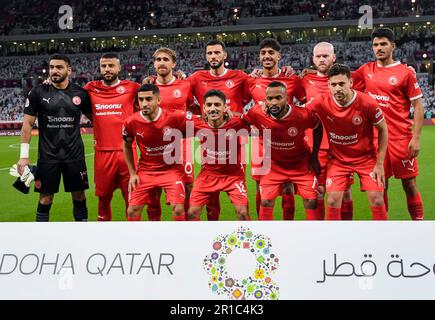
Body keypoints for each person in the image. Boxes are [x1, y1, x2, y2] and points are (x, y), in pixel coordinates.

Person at [352, 28, 424, 220]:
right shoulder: (366, 70)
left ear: (393, 46)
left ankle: (419, 226)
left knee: (409, 185)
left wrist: (416, 138)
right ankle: (383, 229)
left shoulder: (405, 73)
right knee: (379, 185)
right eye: (375, 44)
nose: (379, 48)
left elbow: (418, 104)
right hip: (374, 139)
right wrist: (312, 72)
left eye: (383, 44)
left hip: (400, 138)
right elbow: (341, 79)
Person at [308, 63, 388, 220]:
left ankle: (382, 240)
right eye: (333, 84)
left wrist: (379, 163)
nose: (337, 88)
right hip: (338, 161)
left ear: (350, 83)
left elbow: (383, 129)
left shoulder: (367, 103)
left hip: (366, 159)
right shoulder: (320, 102)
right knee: (332, 200)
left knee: (377, 199)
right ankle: (334, 241)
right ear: (328, 85)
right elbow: (299, 114)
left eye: (341, 84)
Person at [18, 54, 92, 222]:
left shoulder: (80, 93)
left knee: (79, 196)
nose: (54, 71)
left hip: (74, 155)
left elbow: (96, 119)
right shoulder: (37, 92)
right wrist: (23, 156)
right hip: (48, 156)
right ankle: (41, 238)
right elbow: (27, 125)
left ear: (69, 70)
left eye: (59, 67)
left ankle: (83, 234)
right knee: (45, 198)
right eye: (51, 67)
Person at [242, 81, 322, 220]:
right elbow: (242, 123)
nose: (273, 102)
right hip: (274, 165)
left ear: (287, 99)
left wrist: (314, 156)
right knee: (266, 201)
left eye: (278, 98)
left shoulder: (302, 115)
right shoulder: (257, 112)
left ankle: (311, 237)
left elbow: (317, 126)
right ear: (265, 100)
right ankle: (265, 237)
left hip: (301, 164)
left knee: (311, 201)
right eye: (270, 98)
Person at [248, 38, 306, 220]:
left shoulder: (292, 80)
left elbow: (307, 104)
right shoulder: (251, 80)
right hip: (260, 144)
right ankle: (263, 229)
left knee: (288, 187)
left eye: (271, 53)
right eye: (263, 53)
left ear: (279, 56)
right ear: (259, 57)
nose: (267, 56)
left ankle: (287, 228)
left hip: (286, 143)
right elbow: (236, 103)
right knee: (260, 188)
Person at [83, 53, 141, 221]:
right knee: (103, 201)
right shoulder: (90, 88)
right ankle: (104, 241)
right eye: (104, 66)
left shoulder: (132, 87)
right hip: (102, 154)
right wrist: (49, 84)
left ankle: (134, 239)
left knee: (132, 202)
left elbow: (154, 88)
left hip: (127, 153)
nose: (107, 69)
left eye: (111, 65)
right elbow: (70, 94)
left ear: (119, 68)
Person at [301, 42, 354, 220]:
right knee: (317, 192)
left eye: (326, 56)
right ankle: (319, 237)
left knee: (345, 193)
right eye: (318, 56)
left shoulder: (348, 79)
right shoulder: (304, 80)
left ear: (334, 57)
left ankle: (345, 234)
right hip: (316, 147)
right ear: (313, 59)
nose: (322, 59)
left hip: (342, 145)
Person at [122, 84, 188, 221]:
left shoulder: (174, 117)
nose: (144, 103)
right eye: (141, 100)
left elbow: (201, 122)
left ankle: (180, 240)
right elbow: (127, 146)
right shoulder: (131, 122)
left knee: (178, 208)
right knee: (132, 210)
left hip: (171, 170)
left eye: (148, 99)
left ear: (158, 100)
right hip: (146, 171)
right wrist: (132, 174)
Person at [145, 48, 195, 220]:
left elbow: (193, 107)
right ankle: (155, 233)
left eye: (166, 59)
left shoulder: (185, 84)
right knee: (153, 193)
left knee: (188, 189)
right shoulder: (147, 88)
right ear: (154, 64)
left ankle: (189, 231)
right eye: (158, 59)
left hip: (181, 146)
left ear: (173, 63)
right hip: (154, 148)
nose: (162, 62)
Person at [187, 90, 250, 221]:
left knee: (243, 212)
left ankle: (245, 239)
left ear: (225, 107)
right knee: (192, 212)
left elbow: (258, 118)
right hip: (207, 175)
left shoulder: (238, 124)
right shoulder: (197, 124)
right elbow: (170, 119)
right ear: (203, 108)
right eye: (209, 105)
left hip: (233, 176)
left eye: (217, 104)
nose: (213, 108)